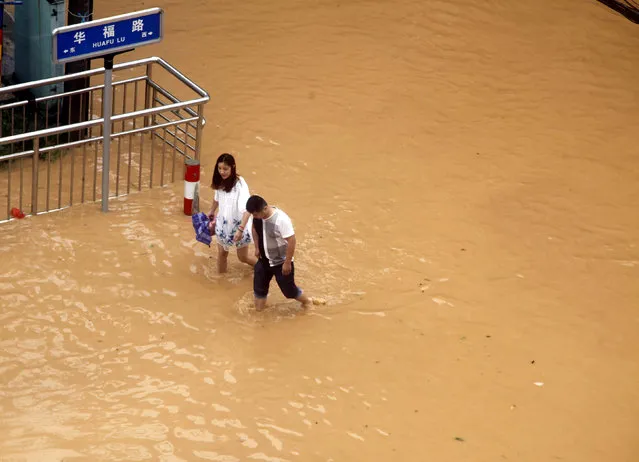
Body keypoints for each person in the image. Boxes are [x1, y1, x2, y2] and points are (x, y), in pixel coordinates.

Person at [246, 195, 312, 311]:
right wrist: (256, 247)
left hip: (280, 262)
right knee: (259, 289)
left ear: (265, 209)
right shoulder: (257, 217)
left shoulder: (281, 219)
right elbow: (254, 229)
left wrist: (287, 263)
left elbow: (292, 240)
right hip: (263, 260)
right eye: (253, 215)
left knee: (289, 291)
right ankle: (259, 314)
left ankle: (307, 301)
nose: (254, 217)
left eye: (255, 214)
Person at [207, 153, 257, 273]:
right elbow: (216, 197)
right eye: (219, 168)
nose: (222, 172)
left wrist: (240, 229)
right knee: (222, 254)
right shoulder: (219, 180)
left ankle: (263, 269)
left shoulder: (240, 184)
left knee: (242, 257)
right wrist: (212, 210)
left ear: (233, 167)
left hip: (239, 225)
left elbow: (247, 209)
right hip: (223, 224)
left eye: (225, 169)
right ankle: (221, 282)